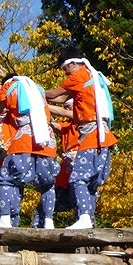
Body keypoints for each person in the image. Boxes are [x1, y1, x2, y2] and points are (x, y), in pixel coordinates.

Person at [45, 48, 117, 229]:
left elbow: (54, 95)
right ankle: (88, 220)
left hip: (92, 136)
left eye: (65, 69)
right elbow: (62, 100)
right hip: (103, 137)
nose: (65, 74)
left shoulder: (78, 76)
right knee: (91, 183)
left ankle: (84, 218)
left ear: (73, 64)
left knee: (78, 178)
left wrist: (32, 90)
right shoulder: (91, 77)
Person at [0, 74, 60, 229]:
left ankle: (5, 218)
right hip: (47, 140)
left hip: (25, 138)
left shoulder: (9, 87)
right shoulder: (39, 89)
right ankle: (49, 221)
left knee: (7, 179)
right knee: (48, 183)